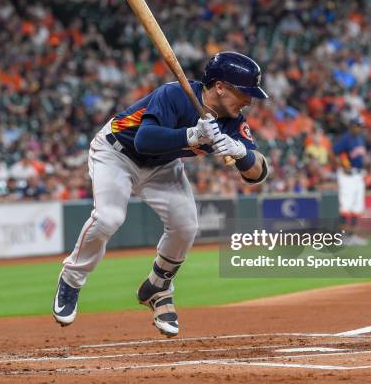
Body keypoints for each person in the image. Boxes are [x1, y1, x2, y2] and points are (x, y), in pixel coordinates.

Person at [53, 52, 270, 336]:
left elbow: (258, 173)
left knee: (186, 226)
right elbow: (144, 140)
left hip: (162, 164)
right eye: (244, 93)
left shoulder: (232, 120)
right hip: (116, 152)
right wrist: (190, 136)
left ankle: (158, 286)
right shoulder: (174, 94)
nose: (249, 100)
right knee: (108, 218)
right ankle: (72, 278)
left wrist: (241, 152)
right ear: (220, 86)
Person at [332, 116, 368, 245]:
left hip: (358, 175)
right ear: (352, 126)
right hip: (347, 176)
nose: (360, 128)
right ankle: (342, 237)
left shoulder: (360, 138)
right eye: (358, 126)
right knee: (346, 207)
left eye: (361, 126)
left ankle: (352, 236)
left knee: (357, 207)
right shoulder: (345, 138)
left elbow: (360, 156)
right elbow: (334, 153)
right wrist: (342, 165)